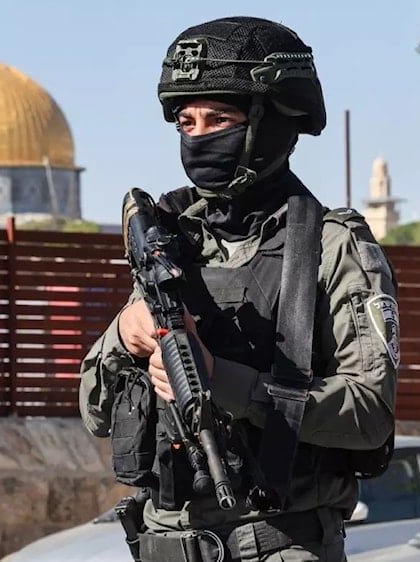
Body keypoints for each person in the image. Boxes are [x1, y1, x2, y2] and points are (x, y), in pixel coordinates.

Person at [80, 16, 398, 562]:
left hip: (280, 543)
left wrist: (224, 381)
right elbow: (94, 412)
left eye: (218, 118)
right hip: (164, 542)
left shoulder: (331, 245)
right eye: (186, 122)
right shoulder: (169, 243)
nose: (199, 137)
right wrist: (123, 335)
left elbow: (370, 416)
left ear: (273, 122)